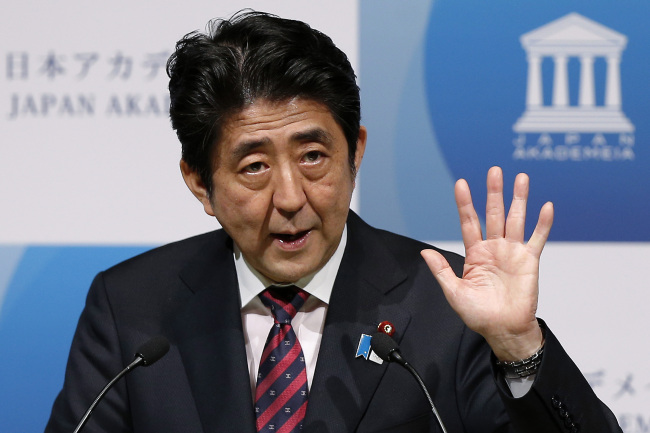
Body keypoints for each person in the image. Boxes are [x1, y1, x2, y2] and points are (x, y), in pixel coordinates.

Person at [45, 11, 622, 433]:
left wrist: (518, 345)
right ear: (200, 183)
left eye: (313, 156)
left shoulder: (448, 304)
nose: (291, 197)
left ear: (356, 152)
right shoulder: (132, 310)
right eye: (253, 166)